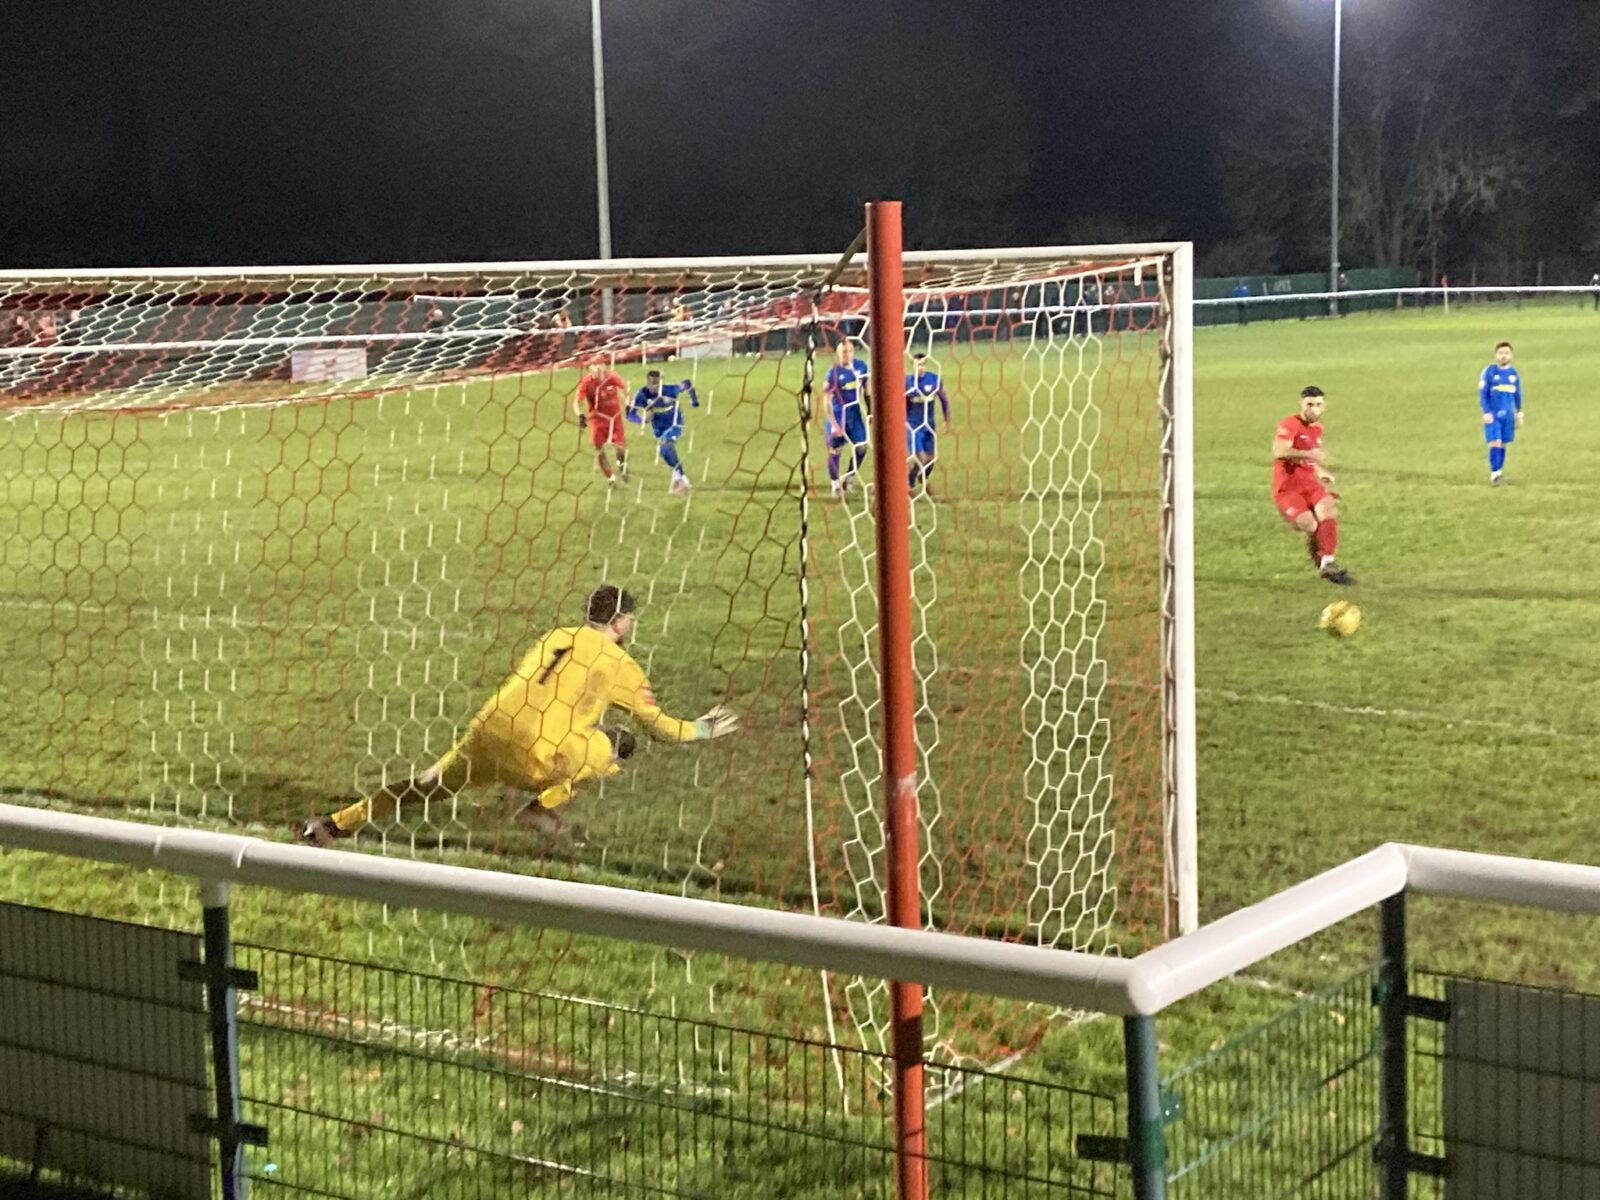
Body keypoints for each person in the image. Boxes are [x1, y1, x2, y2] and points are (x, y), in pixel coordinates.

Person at [299, 585, 740, 845]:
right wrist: (703, 728)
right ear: (621, 624)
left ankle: (332, 826)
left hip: (486, 733)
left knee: (423, 786)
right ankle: (538, 809)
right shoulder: (620, 664)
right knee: (620, 743)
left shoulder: (555, 636)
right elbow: (662, 728)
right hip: (537, 756)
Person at [1271, 386, 1354, 585]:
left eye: (1318, 405)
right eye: (1309, 404)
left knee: (1328, 508)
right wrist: (1307, 454)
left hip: (1310, 484)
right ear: (1302, 404)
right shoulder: (1289, 424)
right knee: (1310, 525)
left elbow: (1311, 458)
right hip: (1288, 488)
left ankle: (1328, 562)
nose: (1313, 409)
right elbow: (1279, 451)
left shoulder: (1317, 428)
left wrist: (1320, 471)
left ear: (1323, 406)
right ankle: (1322, 563)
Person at [628, 370, 700, 493]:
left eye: (658, 384)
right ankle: (677, 476)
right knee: (664, 451)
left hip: (675, 423)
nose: (656, 387)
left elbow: (687, 383)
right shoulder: (641, 395)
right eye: (653, 384)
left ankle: (683, 478)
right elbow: (629, 414)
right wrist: (642, 420)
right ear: (647, 383)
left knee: (665, 446)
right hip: (658, 428)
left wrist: (694, 401)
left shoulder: (670, 390)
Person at [823, 338, 870, 497]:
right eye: (844, 352)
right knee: (835, 450)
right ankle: (835, 485)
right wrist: (834, 424)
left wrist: (870, 411)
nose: (847, 355)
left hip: (855, 415)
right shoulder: (833, 373)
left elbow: (867, 390)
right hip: (838, 415)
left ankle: (849, 478)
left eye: (850, 351)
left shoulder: (861, 367)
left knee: (862, 447)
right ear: (838, 354)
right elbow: (827, 401)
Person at [575, 360, 630, 485]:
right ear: (591, 368)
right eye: (595, 366)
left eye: (601, 366)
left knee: (620, 448)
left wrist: (628, 403)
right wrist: (580, 415)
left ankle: (621, 463)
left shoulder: (612, 377)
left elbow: (624, 389)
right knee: (599, 450)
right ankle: (611, 478)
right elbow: (577, 401)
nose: (599, 369)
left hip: (614, 419)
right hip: (597, 420)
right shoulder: (587, 383)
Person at [1477, 341, 1523, 486]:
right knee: (1495, 442)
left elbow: (1517, 394)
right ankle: (1494, 474)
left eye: (1506, 353)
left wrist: (1519, 412)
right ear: (1496, 355)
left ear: (1511, 355)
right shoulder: (1489, 372)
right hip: (1493, 414)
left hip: (1508, 415)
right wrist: (1486, 412)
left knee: (1503, 444)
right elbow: (1483, 393)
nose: (1503, 356)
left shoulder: (1513, 374)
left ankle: (1499, 473)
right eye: (1501, 353)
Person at [904, 353, 951, 495]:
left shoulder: (934, 380)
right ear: (913, 366)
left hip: (929, 425)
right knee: (921, 457)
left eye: (923, 364)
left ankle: (921, 477)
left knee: (930, 460)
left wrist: (947, 421)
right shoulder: (907, 383)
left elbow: (944, 400)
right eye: (918, 365)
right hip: (913, 426)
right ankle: (909, 484)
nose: (921, 368)